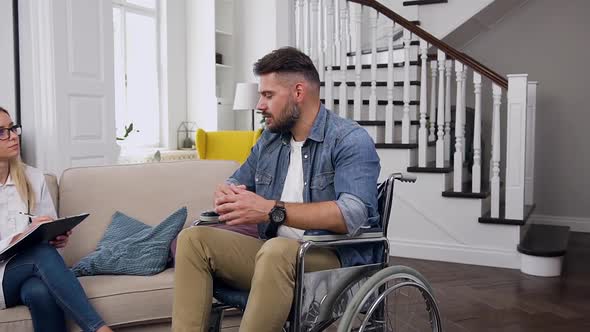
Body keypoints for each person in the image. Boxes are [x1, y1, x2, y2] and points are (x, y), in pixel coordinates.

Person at [172, 47, 380, 332]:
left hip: (330, 261)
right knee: (193, 240)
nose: (260, 105)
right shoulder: (270, 140)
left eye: (268, 95)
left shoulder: (350, 140)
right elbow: (237, 180)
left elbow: (352, 214)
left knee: (278, 250)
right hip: (272, 255)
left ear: (298, 92)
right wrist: (227, 193)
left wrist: (271, 210)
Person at [0, 107, 113, 332]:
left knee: (40, 291)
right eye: (1, 132)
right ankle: (99, 329)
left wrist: (53, 237)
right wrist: (20, 237)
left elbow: (45, 235)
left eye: (12, 128)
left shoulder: (33, 177)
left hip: (28, 271)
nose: (13, 135)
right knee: (40, 256)